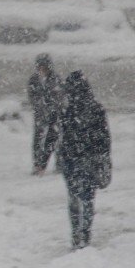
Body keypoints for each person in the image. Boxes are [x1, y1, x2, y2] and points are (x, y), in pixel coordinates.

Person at [43, 71, 111, 249]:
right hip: (89, 159)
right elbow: (104, 138)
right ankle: (85, 233)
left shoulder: (66, 110)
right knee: (88, 197)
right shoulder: (96, 109)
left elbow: (53, 134)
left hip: (71, 159)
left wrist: (43, 159)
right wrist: (103, 158)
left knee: (73, 197)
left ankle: (76, 233)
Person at [27, 53, 63, 175]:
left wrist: (52, 106)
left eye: (45, 67)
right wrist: (40, 106)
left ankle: (59, 163)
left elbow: (59, 96)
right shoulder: (33, 80)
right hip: (40, 114)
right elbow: (32, 96)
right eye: (40, 67)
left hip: (54, 114)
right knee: (38, 139)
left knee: (55, 139)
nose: (42, 70)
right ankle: (37, 164)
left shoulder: (55, 79)